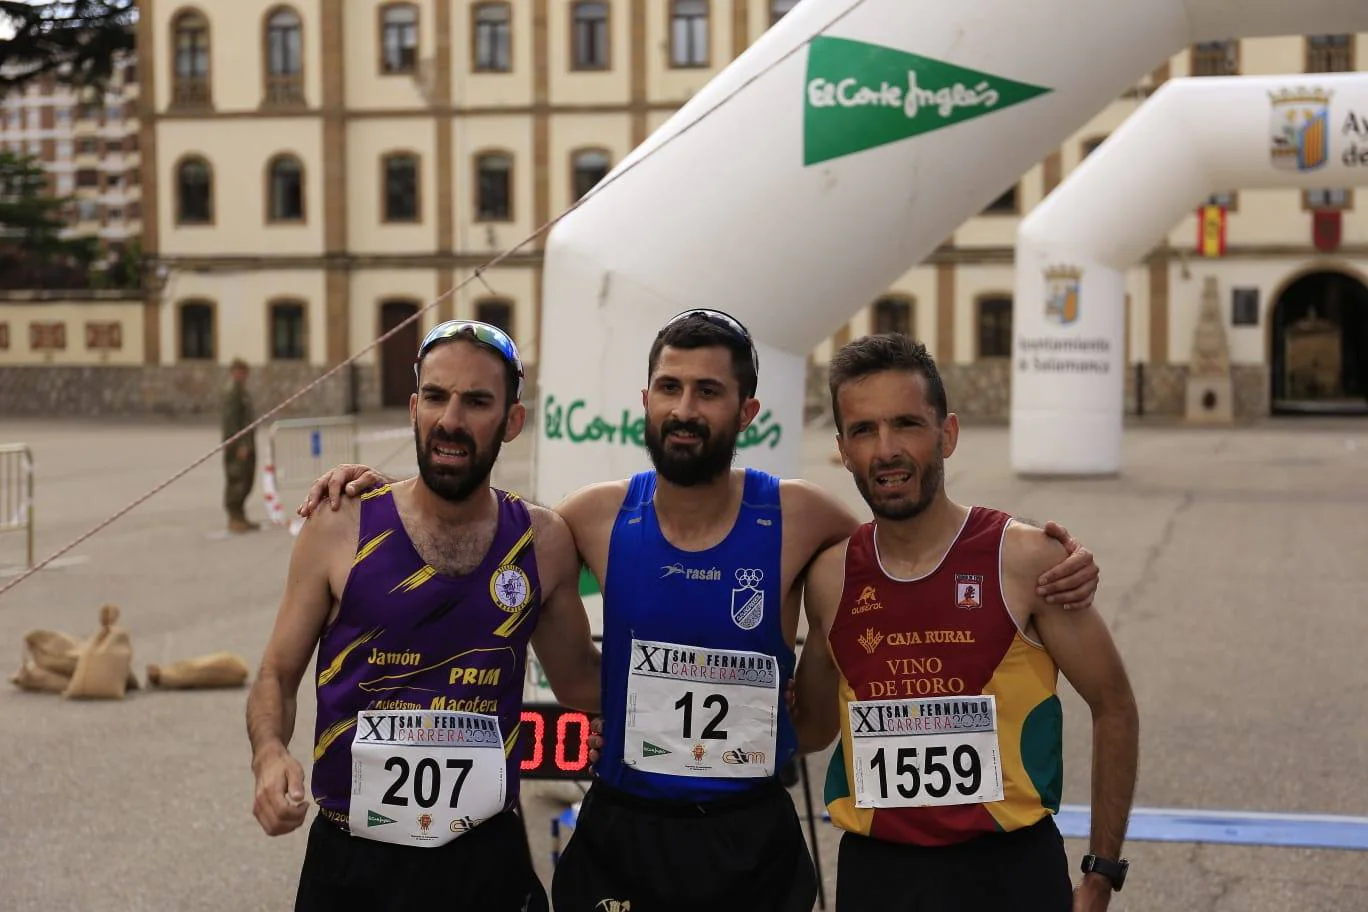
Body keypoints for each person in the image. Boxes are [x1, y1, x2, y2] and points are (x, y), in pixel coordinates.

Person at [300, 310, 1103, 912]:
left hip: (751, 835)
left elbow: (913, 541)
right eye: (672, 389)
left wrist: (1039, 552)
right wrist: (367, 489)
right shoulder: (590, 516)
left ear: (746, 412)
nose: (686, 408)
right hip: (624, 833)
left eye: (709, 392)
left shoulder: (803, 517)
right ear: (646, 399)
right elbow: (474, 522)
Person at [246, 320, 602, 912]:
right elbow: (276, 675)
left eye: (477, 401)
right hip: (355, 860)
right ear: (414, 408)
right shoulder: (341, 523)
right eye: (436, 397)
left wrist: (745, 686)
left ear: (513, 421)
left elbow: (580, 681)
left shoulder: (541, 543)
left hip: (485, 860)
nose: (451, 421)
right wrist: (268, 753)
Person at [792, 333, 1139, 912]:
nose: (886, 450)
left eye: (906, 424)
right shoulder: (830, 577)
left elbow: (1114, 704)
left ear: (946, 434)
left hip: (1009, 872)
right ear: (843, 450)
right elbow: (813, 727)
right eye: (863, 431)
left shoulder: (1026, 559)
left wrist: (1101, 873)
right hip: (877, 875)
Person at [222, 357, 259, 533]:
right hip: (238, 445)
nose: (241, 375)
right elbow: (231, 423)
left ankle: (241, 516)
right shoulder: (232, 393)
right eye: (238, 371)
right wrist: (240, 445)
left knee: (246, 480)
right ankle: (234, 517)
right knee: (237, 479)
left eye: (244, 372)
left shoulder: (242, 392)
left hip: (247, 443)